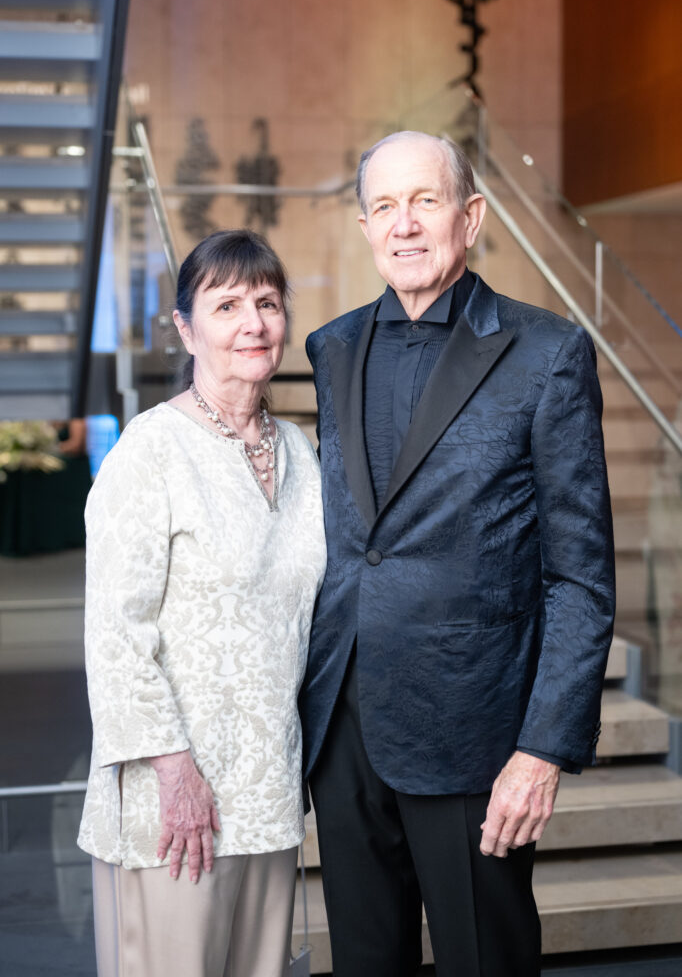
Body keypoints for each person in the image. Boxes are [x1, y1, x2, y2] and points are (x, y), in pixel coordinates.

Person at [300, 132, 615, 976]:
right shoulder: (329, 350)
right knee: (366, 961)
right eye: (385, 207)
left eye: (426, 201)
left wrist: (544, 749)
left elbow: (579, 578)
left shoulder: (548, 354)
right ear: (365, 225)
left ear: (469, 216)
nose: (405, 225)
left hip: (477, 734)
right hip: (344, 727)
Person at [78, 229, 327, 977]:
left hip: (270, 792)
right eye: (226, 306)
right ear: (186, 328)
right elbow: (115, 632)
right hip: (175, 801)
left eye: (267, 302)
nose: (253, 323)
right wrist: (176, 773)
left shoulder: (302, 452)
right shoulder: (149, 453)